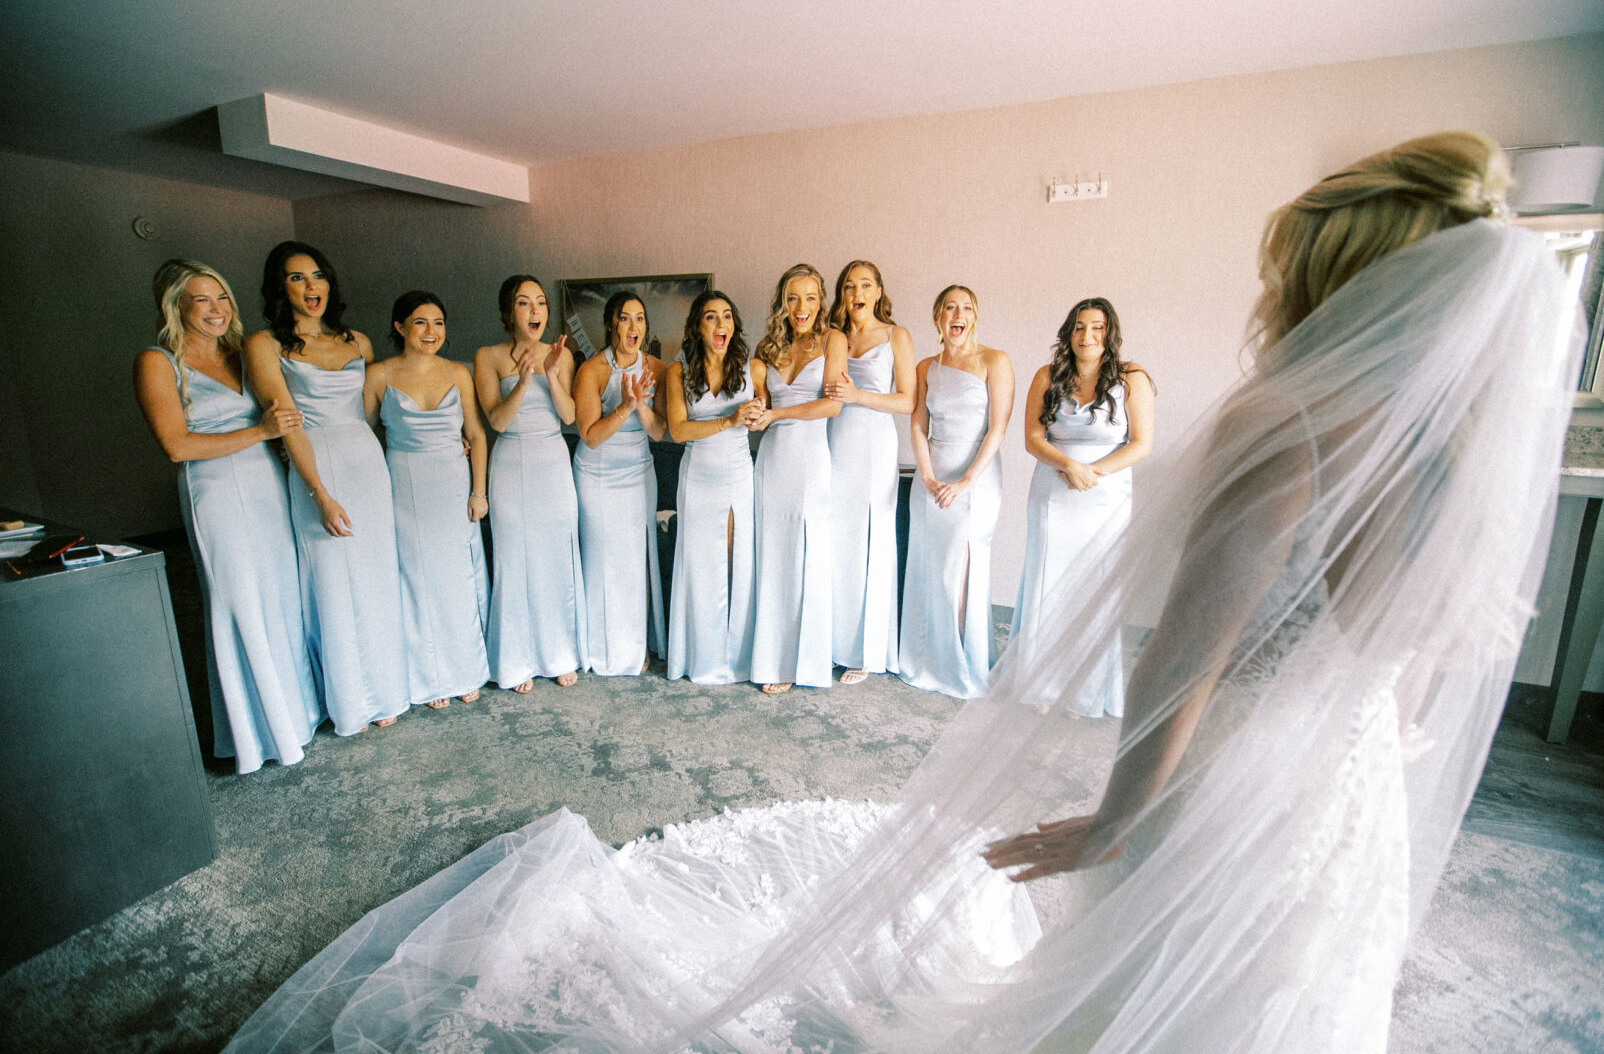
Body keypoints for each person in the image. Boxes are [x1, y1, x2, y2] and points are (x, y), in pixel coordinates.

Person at [226, 134, 1578, 1054]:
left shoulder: (1283, 422)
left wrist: (1113, 821)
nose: (1273, 287)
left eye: (1292, 263)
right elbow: (1409, 670)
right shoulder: (1442, 450)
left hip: (1232, 785)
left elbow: (1191, 662)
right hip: (1339, 796)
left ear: (1335, 277)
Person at [133, 259, 321, 774]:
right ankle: (256, 735)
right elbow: (175, 446)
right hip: (214, 493)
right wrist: (260, 433)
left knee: (280, 599)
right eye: (202, 299)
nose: (217, 310)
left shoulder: (244, 355)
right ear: (176, 306)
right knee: (238, 604)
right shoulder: (158, 361)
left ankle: (295, 719)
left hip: (266, 488)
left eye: (222, 299)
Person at [244, 241, 410, 733]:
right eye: (297, 278)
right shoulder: (265, 345)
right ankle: (349, 701)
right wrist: (318, 491)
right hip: (316, 465)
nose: (311, 286)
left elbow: (378, 412)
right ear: (280, 287)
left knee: (377, 577)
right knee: (332, 583)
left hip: (367, 461)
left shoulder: (358, 342)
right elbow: (286, 423)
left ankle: (386, 693)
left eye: (317, 275)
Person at [1009, 298, 1154, 716]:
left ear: (1109, 334)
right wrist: (1069, 465)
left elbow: (1142, 443)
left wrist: (1092, 473)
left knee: (1093, 586)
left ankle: (1084, 690)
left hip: (1105, 495)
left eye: (1096, 328)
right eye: (1078, 327)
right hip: (1053, 490)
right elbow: (1032, 438)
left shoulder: (1132, 379)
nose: (1086, 336)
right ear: (1068, 333)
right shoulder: (1047, 376)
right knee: (1047, 583)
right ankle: (1041, 684)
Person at [364, 291, 490, 710]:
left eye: (438, 322)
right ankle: (430, 677)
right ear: (399, 327)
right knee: (417, 580)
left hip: (453, 483)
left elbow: (475, 433)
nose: (432, 331)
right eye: (421, 322)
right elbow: (363, 436)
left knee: (457, 578)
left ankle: (465, 669)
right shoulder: (378, 374)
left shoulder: (458, 372)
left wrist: (478, 491)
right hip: (405, 482)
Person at [897, 285, 1015, 699]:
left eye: (966, 308)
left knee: (960, 569)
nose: (957, 315)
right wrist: (927, 478)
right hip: (932, 477)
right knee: (929, 566)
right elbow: (917, 424)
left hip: (976, 478)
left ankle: (962, 663)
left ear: (975, 317)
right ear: (938, 317)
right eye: (950, 307)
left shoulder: (993, 361)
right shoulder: (927, 366)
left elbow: (998, 427)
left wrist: (966, 481)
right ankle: (928, 656)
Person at [474, 275, 585, 692]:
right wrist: (523, 380)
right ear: (509, 313)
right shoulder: (488, 357)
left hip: (553, 461)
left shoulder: (562, 354)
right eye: (525, 303)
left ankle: (558, 654)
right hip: (511, 462)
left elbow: (570, 417)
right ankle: (516, 658)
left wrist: (552, 375)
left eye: (540, 303)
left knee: (554, 557)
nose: (536, 310)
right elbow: (497, 421)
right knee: (515, 559)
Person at [749, 264, 848, 693]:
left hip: (809, 457)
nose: (801, 307)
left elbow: (831, 406)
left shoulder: (833, 340)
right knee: (772, 554)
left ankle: (799, 660)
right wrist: (755, 416)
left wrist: (776, 415)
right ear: (782, 303)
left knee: (805, 554)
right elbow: (760, 407)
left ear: (820, 301)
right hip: (771, 459)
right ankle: (769, 655)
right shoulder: (767, 346)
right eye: (793, 298)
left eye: (809, 298)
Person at [665, 290, 767, 684]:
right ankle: (700, 656)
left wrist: (757, 416)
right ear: (697, 326)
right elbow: (677, 429)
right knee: (698, 562)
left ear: (734, 326)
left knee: (733, 556)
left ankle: (736, 658)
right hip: (698, 474)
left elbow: (766, 418)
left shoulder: (752, 368)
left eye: (727, 316)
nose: (720, 324)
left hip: (738, 471)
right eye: (711, 317)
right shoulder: (678, 372)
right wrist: (728, 420)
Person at [825, 260, 916, 683]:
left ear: (878, 291)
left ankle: (866, 649)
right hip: (836, 440)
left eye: (865, 284)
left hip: (875, 445)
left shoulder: (896, 336)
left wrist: (859, 394)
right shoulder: (834, 338)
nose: (856, 292)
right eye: (848, 286)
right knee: (836, 539)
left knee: (871, 539)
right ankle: (830, 641)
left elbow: (907, 401)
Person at [573, 290, 667, 675]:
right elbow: (590, 435)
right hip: (597, 473)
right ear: (612, 322)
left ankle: (635, 646)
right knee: (600, 559)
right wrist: (625, 405)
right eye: (626, 318)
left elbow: (660, 432)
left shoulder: (659, 370)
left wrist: (640, 405)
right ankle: (598, 648)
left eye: (640, 318)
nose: (634, 326)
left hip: (637, 470)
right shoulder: (592, 370)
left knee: (634, 560)